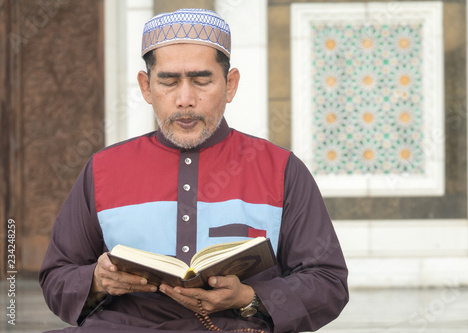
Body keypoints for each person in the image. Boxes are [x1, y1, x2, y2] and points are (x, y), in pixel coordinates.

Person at [39, 8, 349, 333]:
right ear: (146, 87)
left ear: (230, 84)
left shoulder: (282, 169)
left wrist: (250, 297)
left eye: (201, 81)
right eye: (169, 82)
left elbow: (328, 282)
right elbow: (56, 277)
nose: (185, 99)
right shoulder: (103, 169)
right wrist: (98, 280)